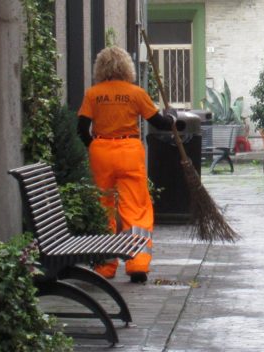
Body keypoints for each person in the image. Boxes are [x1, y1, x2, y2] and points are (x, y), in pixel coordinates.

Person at [77, 46, 185, 283]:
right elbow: (159, 122)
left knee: (103, 206)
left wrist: (95, 146)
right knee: (135, 207)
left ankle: (105, 266)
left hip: (101, 152)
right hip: (129, 151)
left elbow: (82, 128)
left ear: (100, 68)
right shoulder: (135, 93)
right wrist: (174, 117)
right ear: (126, 67)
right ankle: (137, 263)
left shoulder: (93, 94)